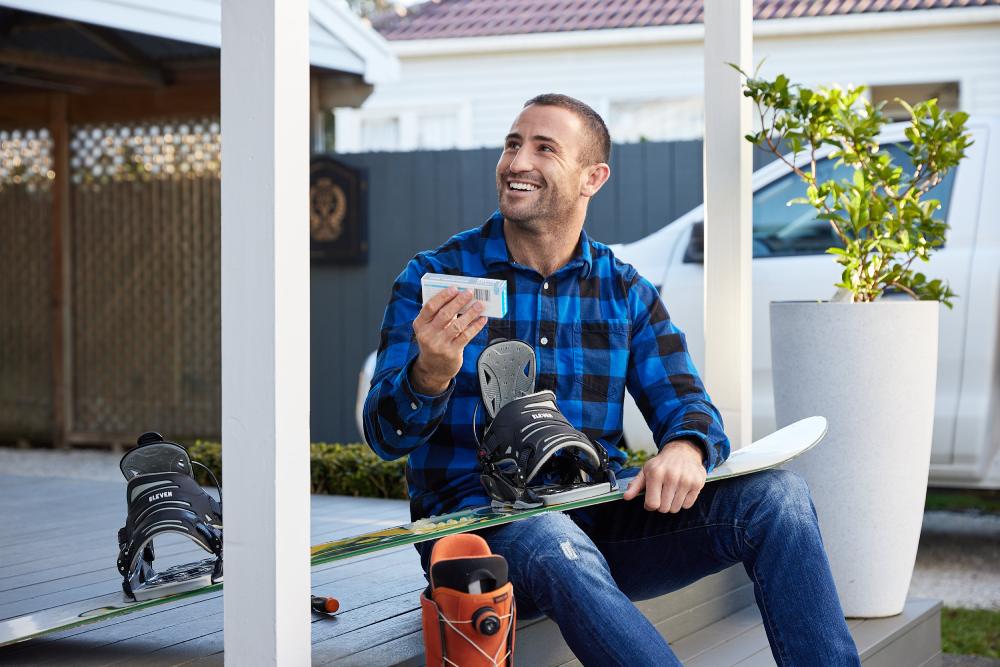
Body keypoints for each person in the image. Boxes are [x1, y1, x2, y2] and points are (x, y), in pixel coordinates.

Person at [363, 93, 861, 666]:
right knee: (553, 540)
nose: (517, 161)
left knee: (781, 498)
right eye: (512, 144)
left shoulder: (625, 291)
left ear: (591, 177)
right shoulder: (433, 278)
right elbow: (384, 437)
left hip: (599, 515)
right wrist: (429, 374)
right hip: (480, 530)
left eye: (544, 148)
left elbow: (688, 405)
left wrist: (684, 447)